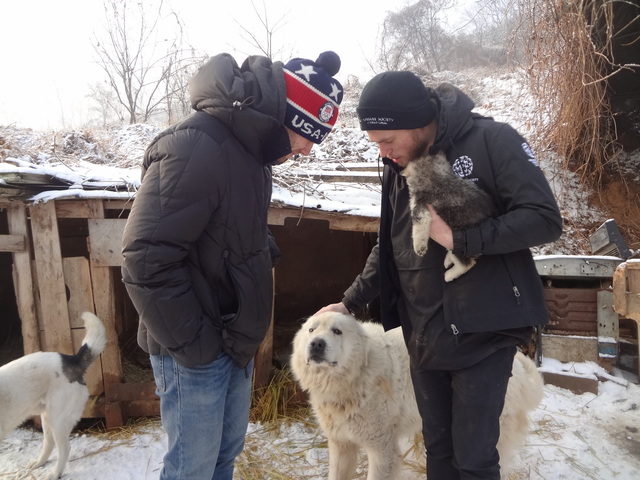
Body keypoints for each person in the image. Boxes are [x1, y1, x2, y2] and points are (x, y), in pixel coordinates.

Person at [318, 71, 562, 480]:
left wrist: (461, 238)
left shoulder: (492, 140)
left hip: (484, 332)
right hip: (424, 334)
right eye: (376, 144)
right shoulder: (400, 165)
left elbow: (544, 218)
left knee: (475, 457)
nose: (382, 152)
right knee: (439, 452)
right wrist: (351, 301)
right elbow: (391, 247)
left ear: (417, 122)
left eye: (387, 140)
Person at [121, 50, 343, 480]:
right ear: (284, 115)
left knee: (223, 458)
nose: (307, 149)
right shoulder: (197, 146)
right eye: (306, 135)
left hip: (232, 341)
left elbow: (224, 230)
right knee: (193, 468)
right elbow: (145, 259)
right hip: (197, 348)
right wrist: (198, 348)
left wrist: (259, 256)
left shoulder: (252, 155)